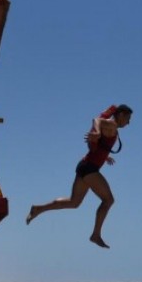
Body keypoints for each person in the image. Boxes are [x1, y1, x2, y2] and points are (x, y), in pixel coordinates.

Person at [26, 104, 133, 248]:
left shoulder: (111, 126)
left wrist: (104, 156)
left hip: (85, 166)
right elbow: (97, 120)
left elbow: (100, 141)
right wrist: (95, 131)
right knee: (108, 200)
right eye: (128, 118)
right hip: (90, 168)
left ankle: (38, 208)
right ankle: (95, 235)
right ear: (121, 115)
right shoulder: (112, 125)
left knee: (74, 202)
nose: (128, 123)